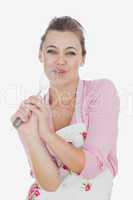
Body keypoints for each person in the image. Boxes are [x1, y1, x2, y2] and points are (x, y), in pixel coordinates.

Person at [11, 16, 120, 200]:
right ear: (41, 56)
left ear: (82, 58)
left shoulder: (101, 92)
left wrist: (48, 134)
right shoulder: (32, 114)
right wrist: (30, 135)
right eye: (52, 51)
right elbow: (50, 184)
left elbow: (91, 167)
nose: (60, 61)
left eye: (70, 53)